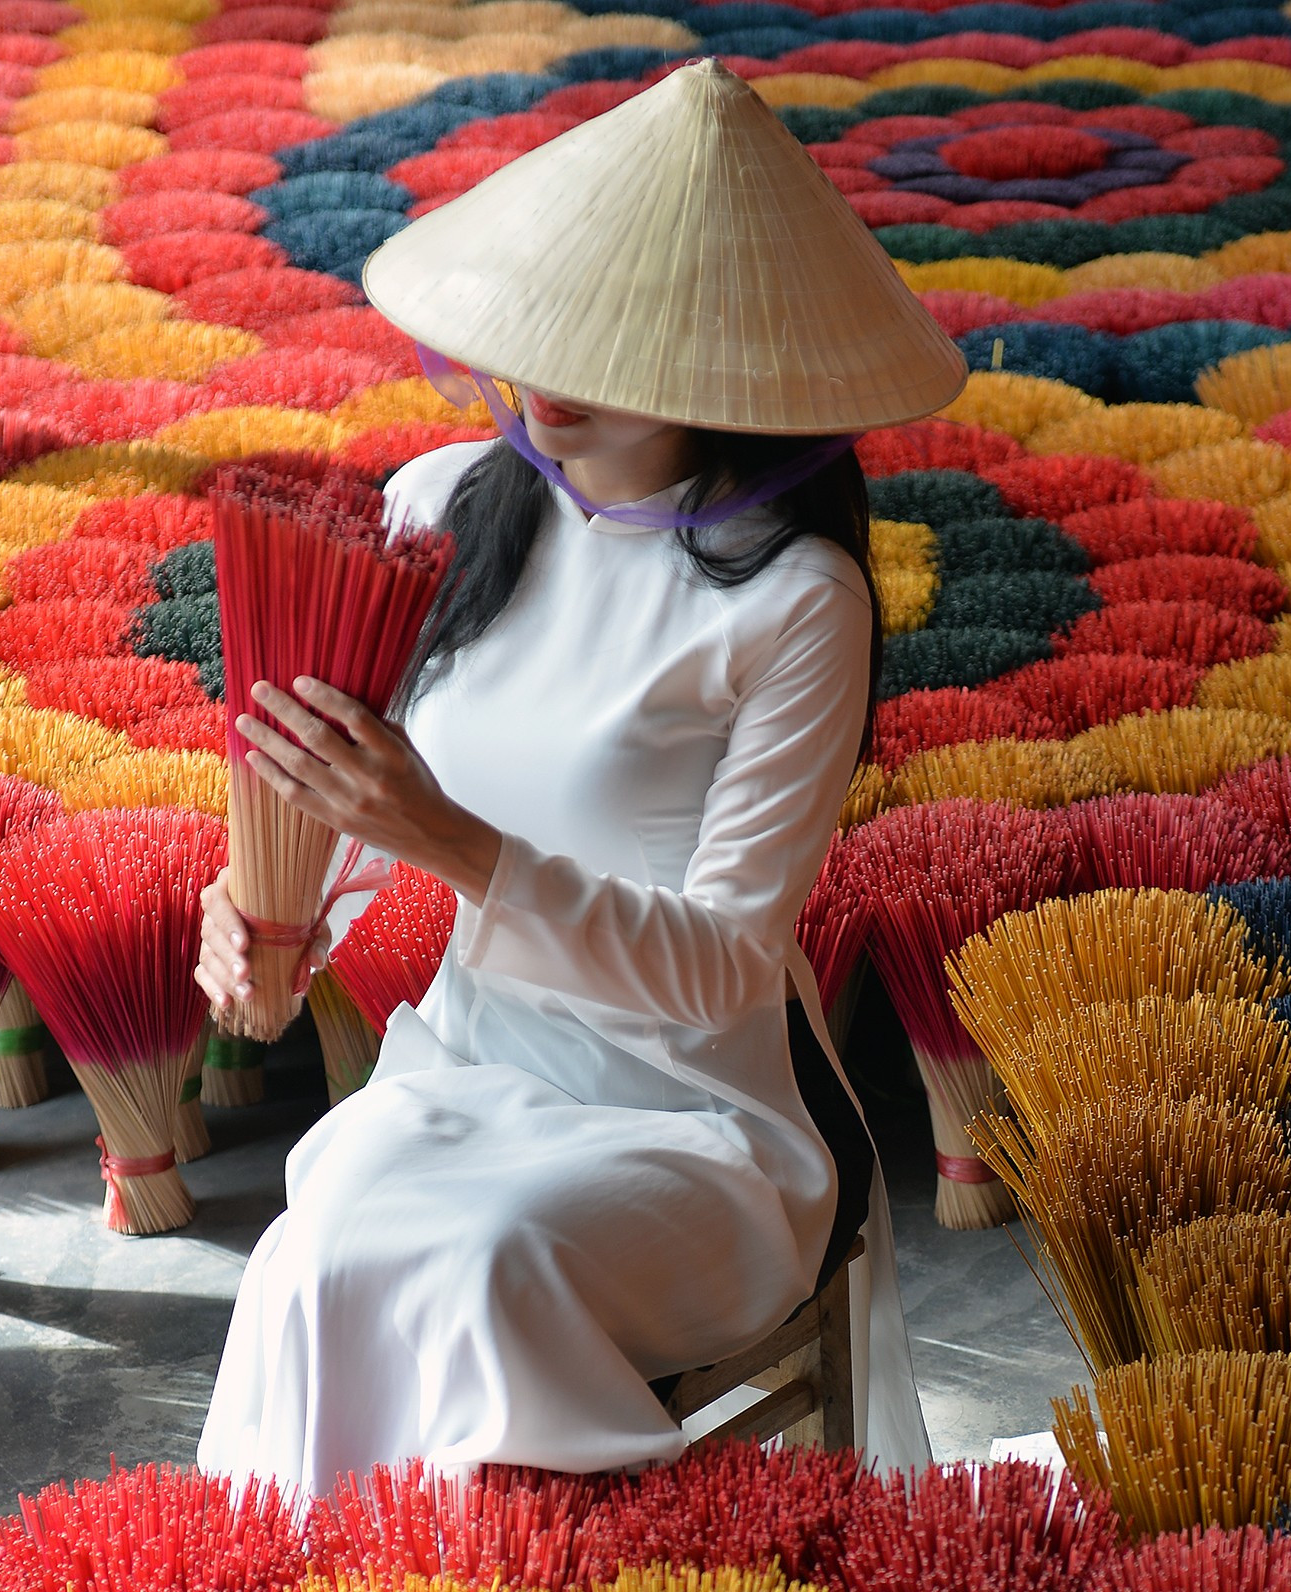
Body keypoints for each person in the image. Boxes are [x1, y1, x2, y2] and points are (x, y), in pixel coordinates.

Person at [194, 58, 967, 1498]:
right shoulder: (444, 509)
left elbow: (726, 967)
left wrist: (457, 844)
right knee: (314, 1244)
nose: (552, 380)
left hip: (699, 1118)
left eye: (618, 344)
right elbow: (346, 825)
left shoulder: (794, 604)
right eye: (548, 325)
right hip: (469, 1071)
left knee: (487, 1256)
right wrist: (252, 920)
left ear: (726, 363)